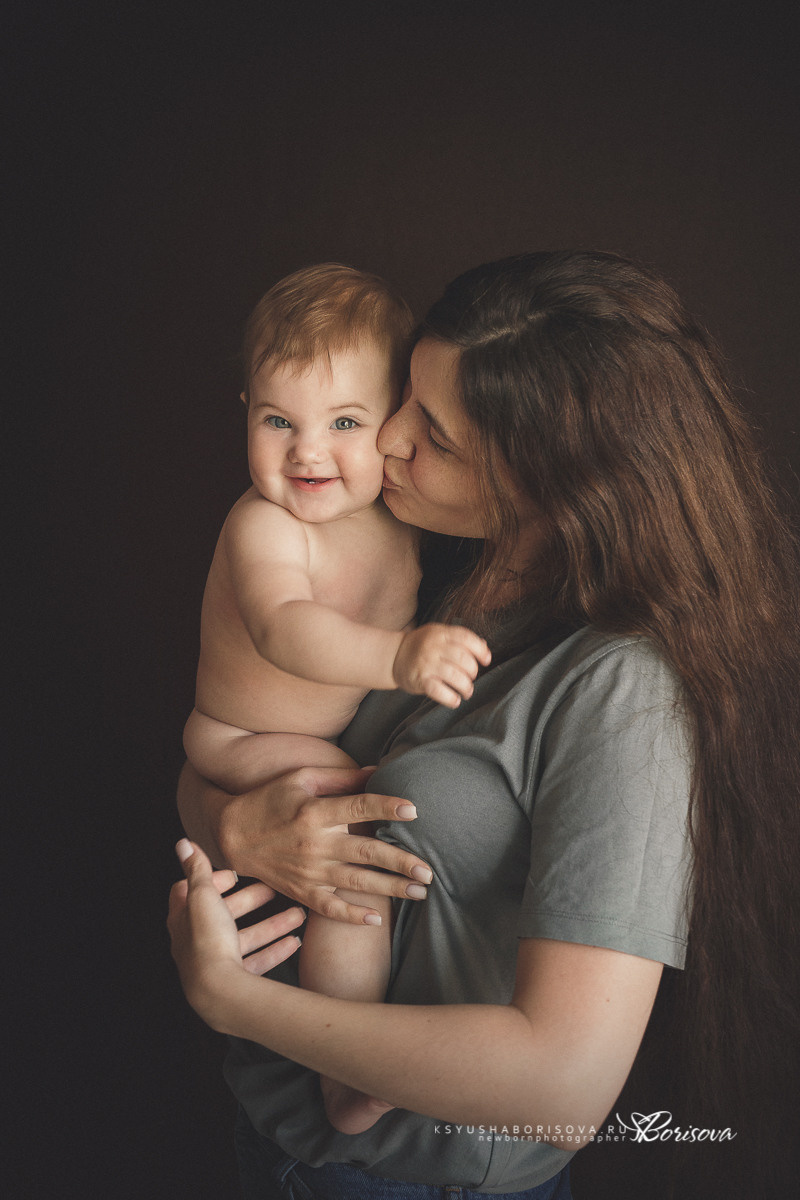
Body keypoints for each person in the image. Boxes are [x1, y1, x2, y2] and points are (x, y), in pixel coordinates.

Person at [170, 251, 800, 1199]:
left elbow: (565, 1091)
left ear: (549, 478)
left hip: (414, 1180)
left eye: (435, 436)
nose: (384, 445)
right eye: (401, 403)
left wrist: (235, 1001)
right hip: (272, 1140)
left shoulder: (623, 691)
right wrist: (230, 825)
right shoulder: (429, 561)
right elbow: (247, 738)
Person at [182, 262, 491, 1133]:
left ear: (394, 421)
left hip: (307, 735)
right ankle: (346, 1069)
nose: (307, 453)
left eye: (344, 422)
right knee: (351, 824)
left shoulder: (399, 518)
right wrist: (399, 657)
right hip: (242, 736)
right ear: (245, 408)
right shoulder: (264, 525)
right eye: (277, 420)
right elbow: (286, 630)